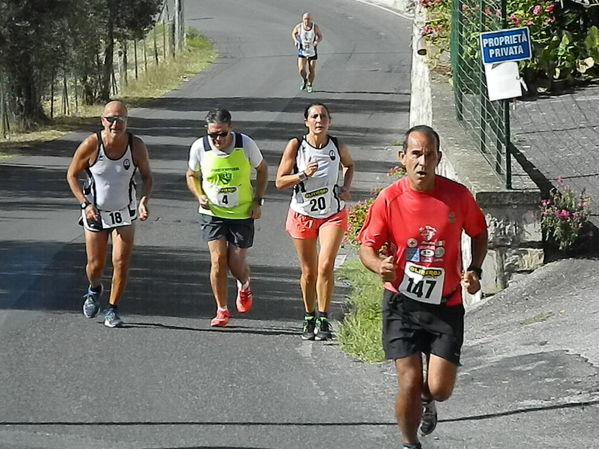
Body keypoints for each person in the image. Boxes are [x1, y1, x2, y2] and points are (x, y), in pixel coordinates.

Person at [357, 125, 488, 449]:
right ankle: (409, 442)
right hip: (402, 303)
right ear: (403, 158)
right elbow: (366, 248)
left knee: (440, 388)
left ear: (438, 158)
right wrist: (379, 266)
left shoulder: (457, 196)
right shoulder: (389, 200)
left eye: (429, 155)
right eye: (415, 154)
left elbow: (479, 232)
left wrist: (473, 269)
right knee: (410, 381)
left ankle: (429, 399)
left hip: (446, 305)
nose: (422, 161)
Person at [66, 100, 153, 328]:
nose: (115, 124)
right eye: (111, 119)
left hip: (124, 212)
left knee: (121, 262)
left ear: (127, 121)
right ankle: (94, 289)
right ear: (102, 121)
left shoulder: (136, 146)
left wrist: (144, 200)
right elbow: (72, 175)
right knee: (95, 265)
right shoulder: (91, 144)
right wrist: (85, 204)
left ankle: (112, 309)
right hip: (96, 212)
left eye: (120, 119)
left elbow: (147, 176)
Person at [275, 103, 354, 341]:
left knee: (325, 265)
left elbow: (349, 165)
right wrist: (302, 175)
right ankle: (309, 317)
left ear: (329, 121)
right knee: (309, 272)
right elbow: (279, 181)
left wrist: (346, 187)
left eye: (323, 117)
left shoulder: (336, 145)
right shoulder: (296, 146)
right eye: (314, 117)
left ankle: (323, 317)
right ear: (306, 122)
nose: (319, 120)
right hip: (302, 214)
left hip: (332, 213)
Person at [186, 109, 268, 327]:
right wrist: (199, 195)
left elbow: (262, 170)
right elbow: (191, 175)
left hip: (242, 212)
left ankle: (244, 285)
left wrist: (257, 201)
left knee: (236, 262)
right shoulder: (200, 147)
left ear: (230, 128)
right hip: (212, 213)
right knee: (218, 259)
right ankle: (221, 309)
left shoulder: (245, 144)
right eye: (213, 135)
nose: (218, 139)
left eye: (222, 134)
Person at [291, 12, 322, 93]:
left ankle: (310, 84)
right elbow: (293, 33)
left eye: (308, 19)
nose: (306, 21)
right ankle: (305, 80)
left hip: (312, 51)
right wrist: (296, 41)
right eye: (305, 19)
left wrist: (317, 41)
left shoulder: (315, 27)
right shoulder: (299, 27)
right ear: (303, 19)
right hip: (302, 50)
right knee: (301, 69)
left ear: (311, 19)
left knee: (311, 69)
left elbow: (320, 36)